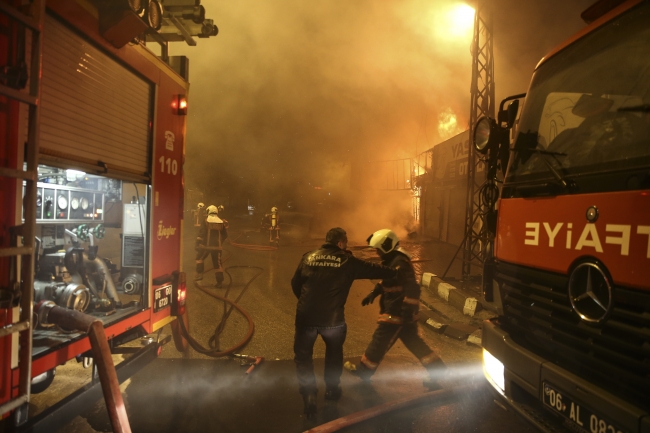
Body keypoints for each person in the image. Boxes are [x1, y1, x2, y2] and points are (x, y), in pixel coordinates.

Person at [291, 227, 396, 418]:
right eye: (345, 243)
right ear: (340, 243)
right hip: (333, 320)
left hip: (306, 317)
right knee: (333, 353)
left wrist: (308, 302)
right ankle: (332, 390)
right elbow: (373, 269)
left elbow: (295, 284)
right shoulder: (347, 261)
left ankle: (309, 397)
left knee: (303, 357)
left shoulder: (308, 257)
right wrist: (394, 271)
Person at [349, 228, 446, 390]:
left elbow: (412, 288)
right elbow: (390, 281)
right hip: (399, 313)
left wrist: (407, 312)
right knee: (414, 342)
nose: (377, 253)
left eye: (379, 249)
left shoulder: (399, 262)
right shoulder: (393, 261)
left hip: (397, 314)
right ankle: (437, 370)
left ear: (387, 246)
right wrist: (374, 293)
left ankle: (364, 370)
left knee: (380, 340)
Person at [195, 205, 228, 287]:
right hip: (217, 247)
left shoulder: (206, 221)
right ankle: (219, 282)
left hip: (206, 246)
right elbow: (225, 235)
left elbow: (201, 234)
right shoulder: (221, 222)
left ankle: (199, 275)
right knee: (218, 265)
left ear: (208, 212)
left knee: (199, 258)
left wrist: (197, 244)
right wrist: (220, 242)